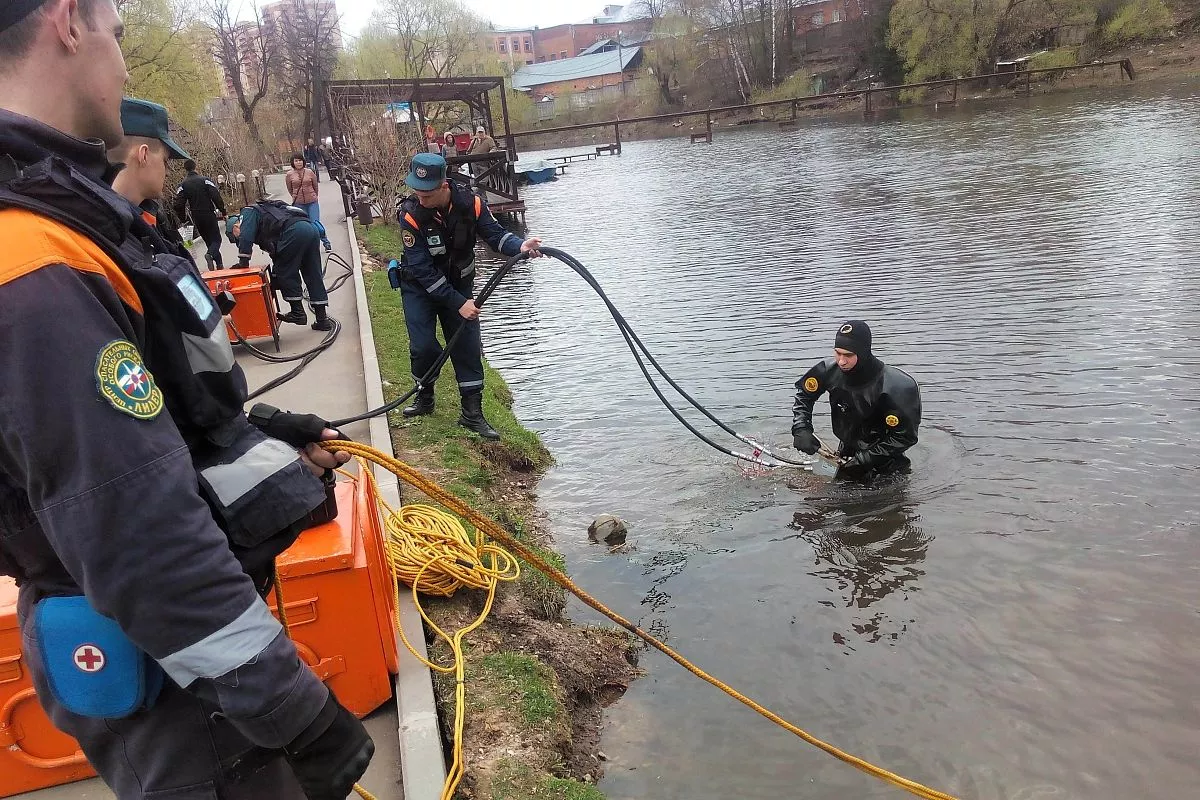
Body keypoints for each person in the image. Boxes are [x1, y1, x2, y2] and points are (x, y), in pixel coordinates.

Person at [0, 2, 373, 799]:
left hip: (183, 655)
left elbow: (149, 437)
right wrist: (293, 712)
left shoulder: (60, 222)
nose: (123, 64)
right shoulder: (31, 258)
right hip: (172, 671)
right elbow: (135, 526)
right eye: (117, 35)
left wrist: (264, 436)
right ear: (68, 23)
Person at [390, 153, 541, 439]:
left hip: (459, 283)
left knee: (467, 345)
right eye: (417, 192)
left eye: (427, 193)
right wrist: (459, 304)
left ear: (444, 185)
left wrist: (521, 246)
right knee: (423, 346)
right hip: (420, 289)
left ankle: (472, 414)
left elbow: (495, 236)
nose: (421, 198)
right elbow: (423, 271)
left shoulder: (472, 204)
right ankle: (425, 395)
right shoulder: (410, 215)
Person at [792, 321, 921, 480]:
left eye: (848, 355)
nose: (841, 361)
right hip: (846, 454)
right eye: (837, 353)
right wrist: (801, 427)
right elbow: (804, 395)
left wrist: (864, 460)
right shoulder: (828, 371)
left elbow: (906, 436)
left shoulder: (897, 386)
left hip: (887, 466)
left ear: (863, 352)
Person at [230, 199, 333, 331]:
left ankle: (297, 313)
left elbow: (246, 237)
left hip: (294, 232)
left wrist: (243, 263)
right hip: (310, 229)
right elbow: (276, 248)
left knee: (285, 272)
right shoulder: (267, 210)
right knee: (313, 273)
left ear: (235, 226)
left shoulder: (248, 212)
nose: (237, 239)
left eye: (234, 236)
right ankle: (322, 320)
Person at [110, 97, 192, 256]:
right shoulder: (113, 235)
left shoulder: (138, 222)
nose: (168, 171)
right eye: (165, 160)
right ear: (144, 155)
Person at [173, 157, 228, 269]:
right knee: (216, 239)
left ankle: (219, 265)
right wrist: (223, 211)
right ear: (195, 167)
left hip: (196, 216)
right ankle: (210, 255)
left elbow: (178, 205)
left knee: (209, 241)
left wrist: (183, 219)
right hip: (208, 213)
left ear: (185, 169)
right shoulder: (205, 180)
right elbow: (216, 196)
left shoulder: (182, 185)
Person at [285, 152, 332, 251]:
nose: (298, 163)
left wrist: (314, 195)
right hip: (298, 204)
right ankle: (308, 247)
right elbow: (290, 188)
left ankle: (326, 242)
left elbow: (315, 186)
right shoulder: (289, 175)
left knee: (315, 223)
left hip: (312, 202)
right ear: (293, 162)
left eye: (300, 160)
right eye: (296, 161)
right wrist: (295, 196)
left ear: (303, 161)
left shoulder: (309, 172)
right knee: (304, 225)